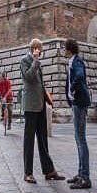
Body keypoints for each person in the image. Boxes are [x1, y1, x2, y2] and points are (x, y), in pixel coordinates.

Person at [20, 38, 65, 184]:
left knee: (43, 138)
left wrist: (47, 98)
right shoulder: (25, 60)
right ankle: (28, 172)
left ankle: (49, 170)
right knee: (29, 140)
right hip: (31, 106)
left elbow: (39, 84)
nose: (42, 51)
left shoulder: (35, 61)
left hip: (40, 105)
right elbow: (28, 77)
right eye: (40, 49)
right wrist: (35, 60)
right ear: (35, 48)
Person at [64, 38, 91, 189]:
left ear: (69, 50)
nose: (63, 50)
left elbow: (79, 76)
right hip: (76, 102)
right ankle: (81, 173)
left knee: (81, 139)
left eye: (65, 48)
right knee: (78, 138)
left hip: (79, 102)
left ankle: (85, 177)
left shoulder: (77, 61)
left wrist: (73, 89)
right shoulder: (72, 61)